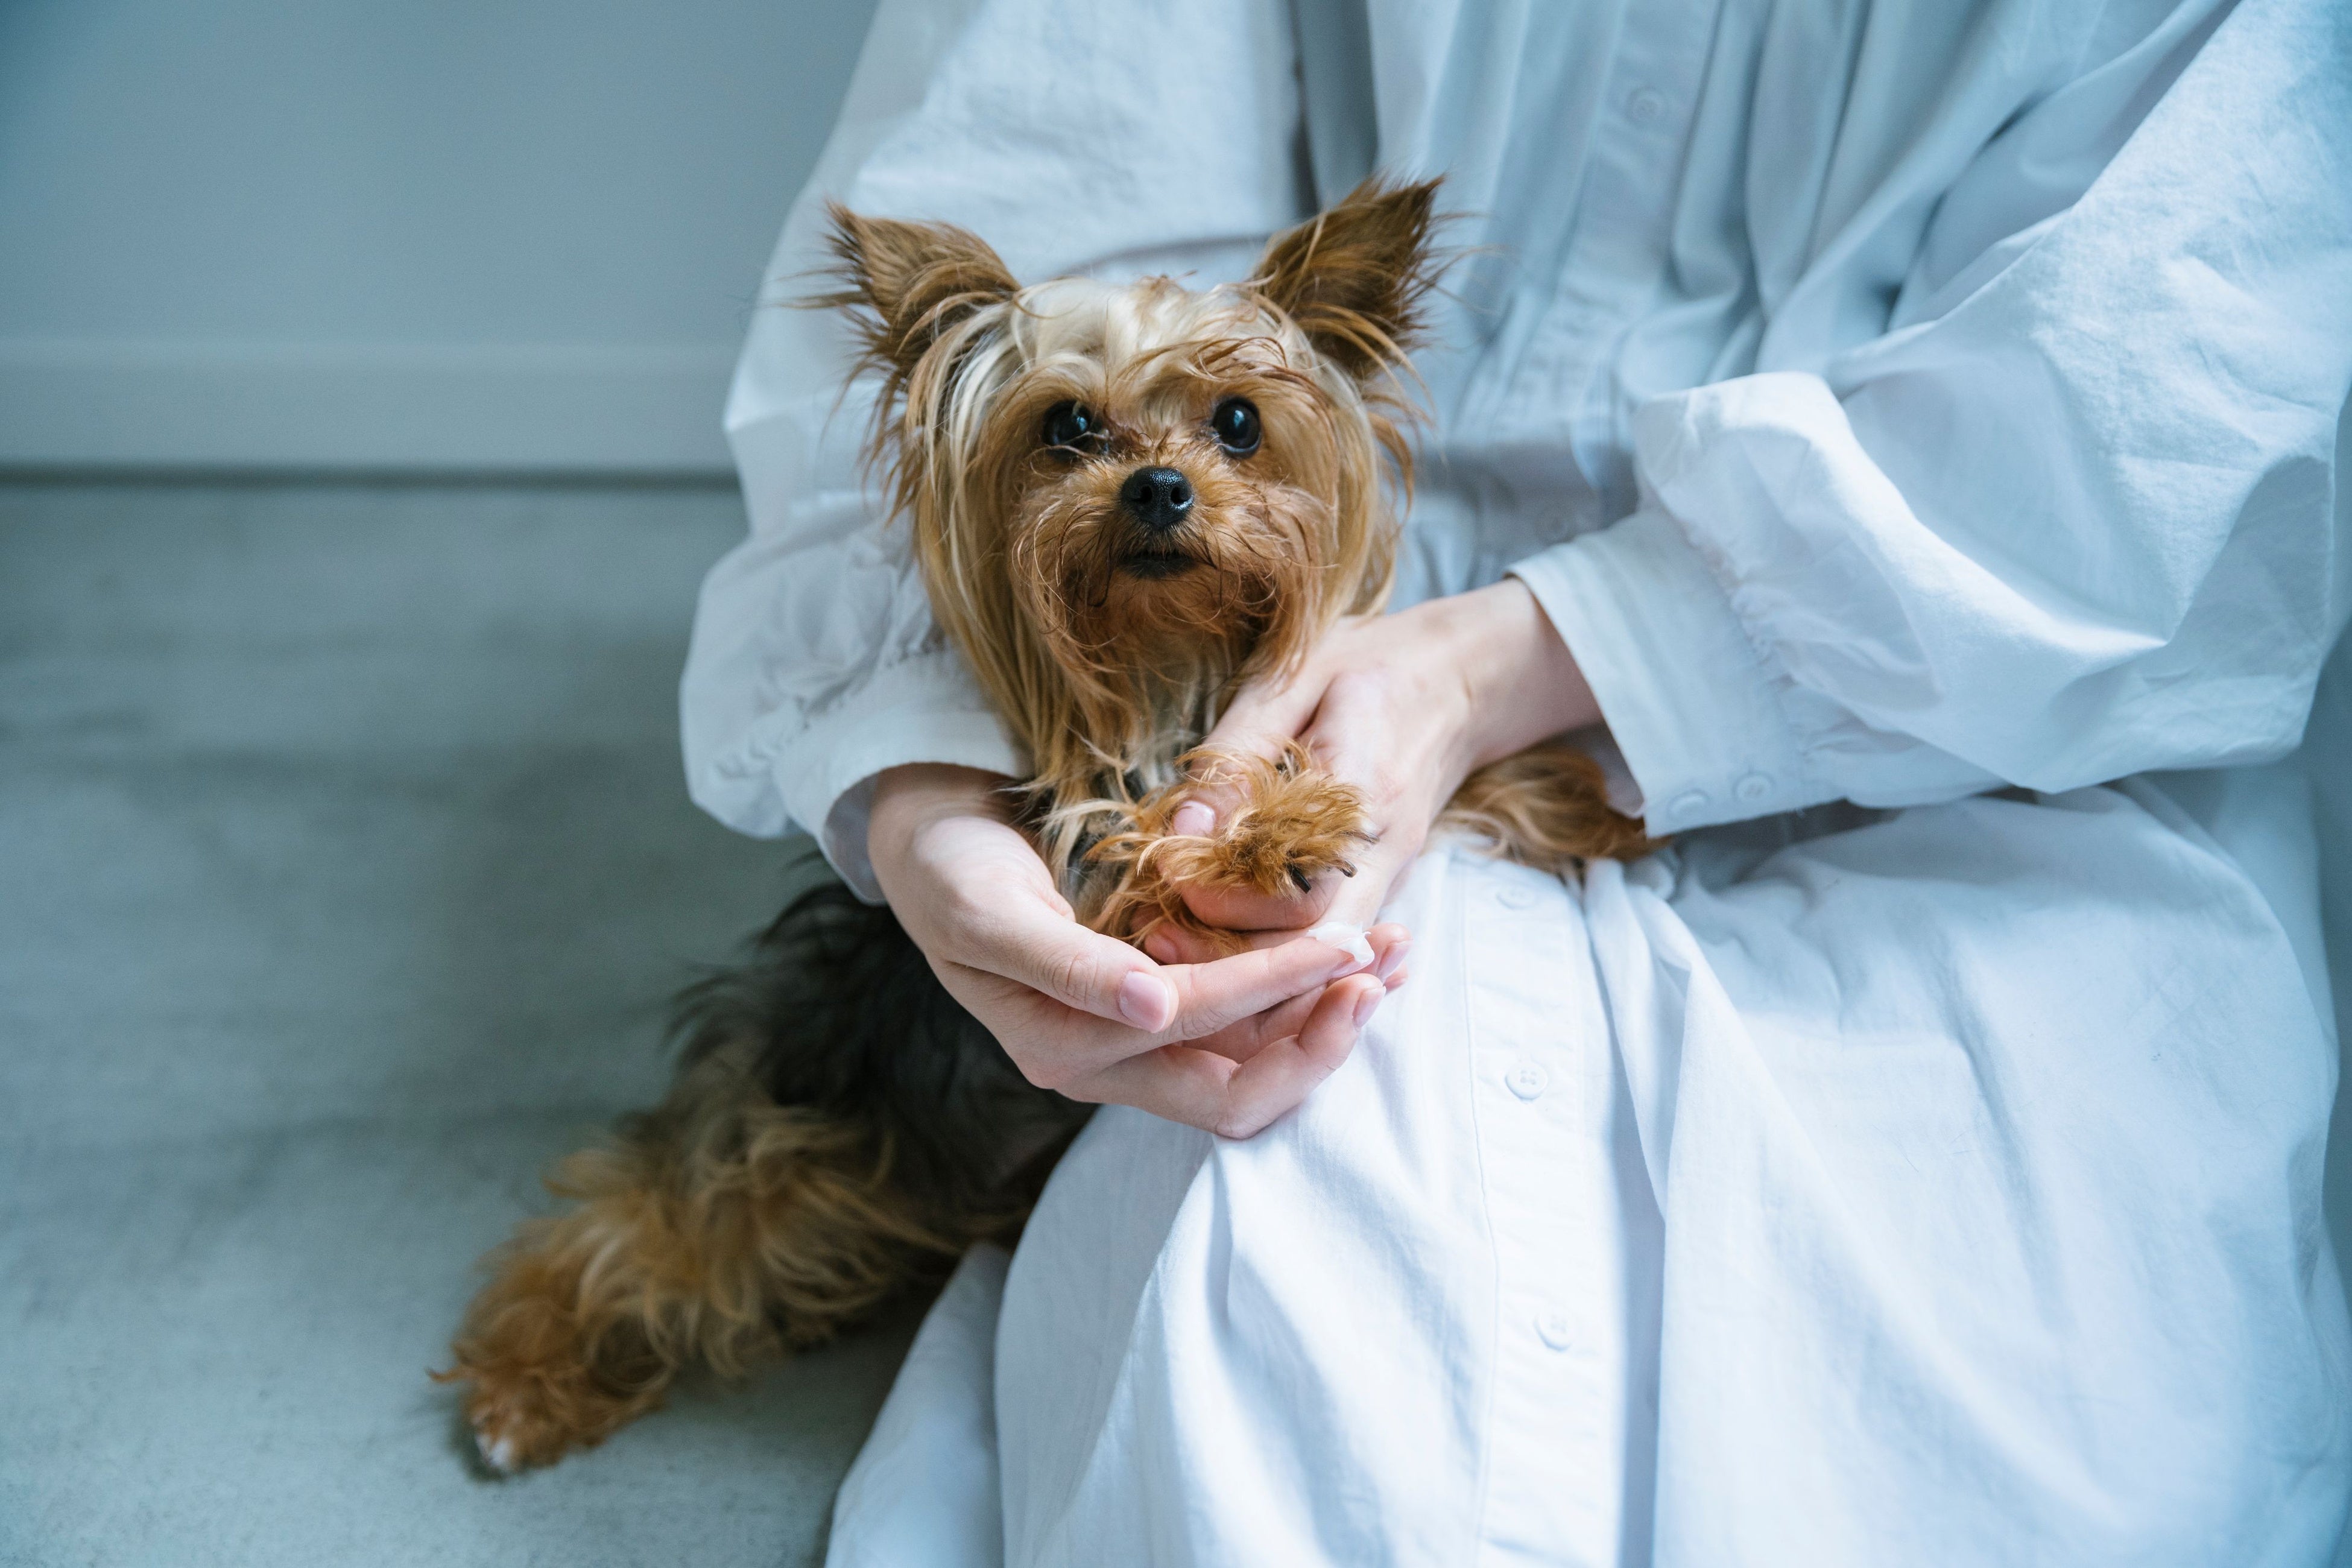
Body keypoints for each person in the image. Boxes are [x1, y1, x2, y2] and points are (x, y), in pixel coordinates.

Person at [682, 0, 2352, 1561]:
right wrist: (923, 799)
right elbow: (1058, 131)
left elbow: (2165, 393)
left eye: (1229, 432)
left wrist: (1531, 666)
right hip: (1291, 794)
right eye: (1079, 437)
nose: (1161, 484)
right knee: (1282, 1371)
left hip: (2001, 695)